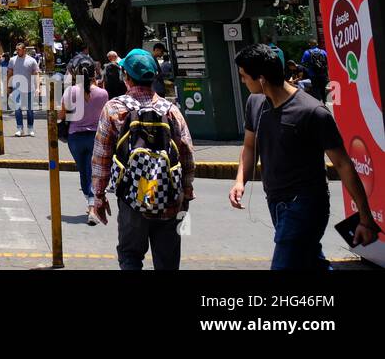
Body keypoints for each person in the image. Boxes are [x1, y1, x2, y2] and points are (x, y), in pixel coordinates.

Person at [229, 44, 379, 269]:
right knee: (309, 261)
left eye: (244, 77)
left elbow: (343, 165)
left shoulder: (313, 112)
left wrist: (365, 219)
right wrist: (240, 180)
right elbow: (250, 146)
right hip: (275, 201)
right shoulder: (255, 103)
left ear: (261, 79)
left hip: (306, 204)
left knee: (285, 265)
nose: (242, 82)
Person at [91, 49, 194, 270]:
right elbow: (186, 154)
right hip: (169, 197)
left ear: (126, 77)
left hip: (131, 196)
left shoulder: (114, 109)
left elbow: (101, 157)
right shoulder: (170, 110)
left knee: (130, 256)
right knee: (167, 260)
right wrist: (186, 193)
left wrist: (99, 196)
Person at [60, 55, 108, 225]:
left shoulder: (70, 91)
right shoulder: (103, 93)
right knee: (92, 172)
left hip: (75, 138)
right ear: (95, 73)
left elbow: (61, 115)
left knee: (84, 171)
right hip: (96, 137)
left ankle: (91, 205)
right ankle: (92, 205)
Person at [6, 42, 39, 137]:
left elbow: (36, 74)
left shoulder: (32, 60)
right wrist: (8, 86)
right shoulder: (12, 60)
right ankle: (19, 128)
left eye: (19, 49)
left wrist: (37, 88)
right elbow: (9, 74)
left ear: (24, 50)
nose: (17, 51)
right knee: (17, 108)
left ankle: (30, 128)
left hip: (29, 88)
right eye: (17, 49)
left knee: (29, 110)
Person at [299, 37, 329, 104]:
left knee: (315, 90)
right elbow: (327, 61)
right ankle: (324, 102)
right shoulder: (323, 52)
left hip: (313, 74)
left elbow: (303, 63)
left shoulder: (307, 52)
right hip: (323, 74)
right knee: (323, 89)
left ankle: (318, 104)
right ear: (317, 44)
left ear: (310, 45)